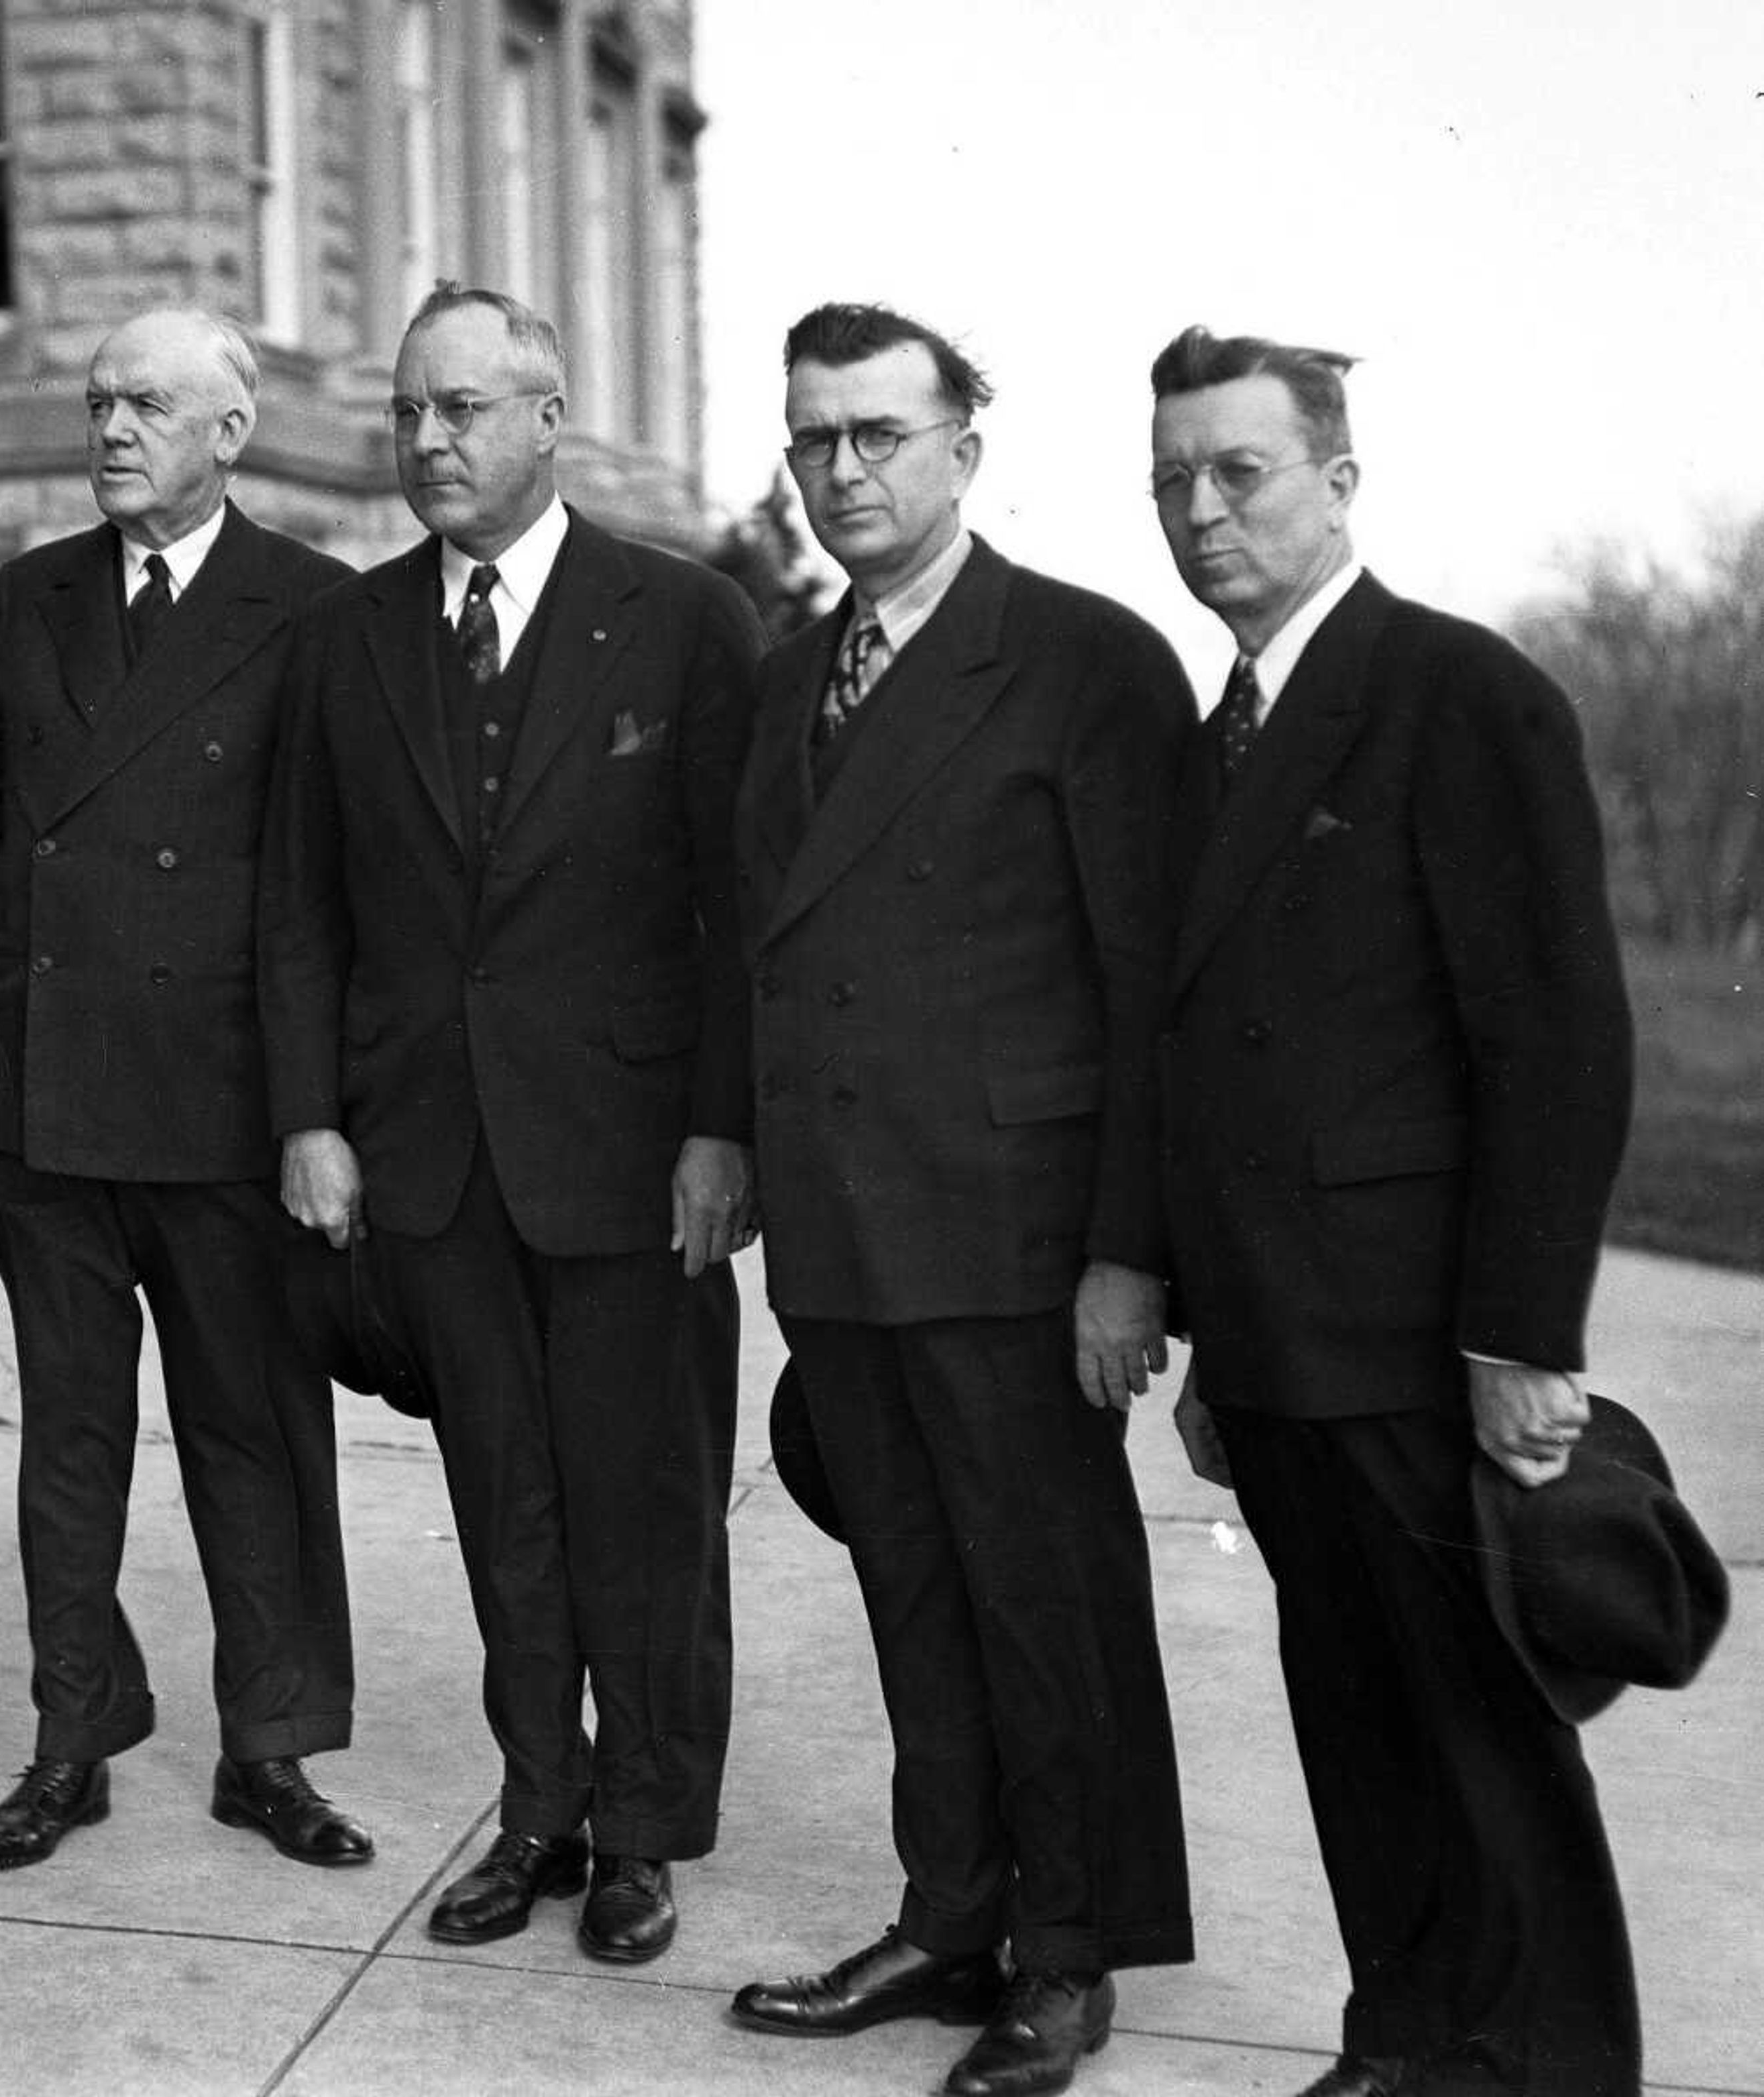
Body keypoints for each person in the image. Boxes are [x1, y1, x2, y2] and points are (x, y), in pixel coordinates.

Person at [1147, 326, 1638, 2097]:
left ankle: (1551, 2062)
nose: (1201, 511)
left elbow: (1559, 1036)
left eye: (1241, 471)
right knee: (1352, 1715)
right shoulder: (1219, 729)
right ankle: (1404, 2033)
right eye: (1173, 477)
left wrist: (1525, 1336)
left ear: (1339, 483)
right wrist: (1212, 1332)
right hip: (1284, 1341)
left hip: (1428, 1335)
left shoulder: (1461, 693)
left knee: (1486, 1728)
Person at [260, 282, 763, 1964]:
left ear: (550, 418)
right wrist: (313, 1119)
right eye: (409, 413)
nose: (429, 442)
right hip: (434, 1156)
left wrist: (721, 1131)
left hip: (634, 1164)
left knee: (648, 1509)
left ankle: (645, 1836)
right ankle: (540, 1809)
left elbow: (738, 907)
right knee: (507, 1505)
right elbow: (304, 906)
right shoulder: (348, 635)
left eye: (463, 410)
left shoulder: (684, 622)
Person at [727, 303, 1195, 2097]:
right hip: (847, 1233)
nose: (843, 470)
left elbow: (1146, 978)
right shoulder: (790, 674)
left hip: (1015, 1238)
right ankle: (953, 1915)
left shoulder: (1082, 661)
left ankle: (1065, 1962)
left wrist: (1129, 1253)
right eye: (814, 440)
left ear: (964, 451)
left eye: (879, 437)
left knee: (1043, 1600)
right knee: (917, 1595)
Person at [0, 308, 369, 1874]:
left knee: (253, 1431)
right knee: (69, 1434)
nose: (113, 430)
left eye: (149, 406)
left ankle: (271, 1752)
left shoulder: (314, 609)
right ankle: (73, 1739)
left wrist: (319, 1109)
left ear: (231, 433)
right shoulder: (31, 591)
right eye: (100, 403)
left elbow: (329, 883)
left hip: (222, 1104)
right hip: (42, 1095)